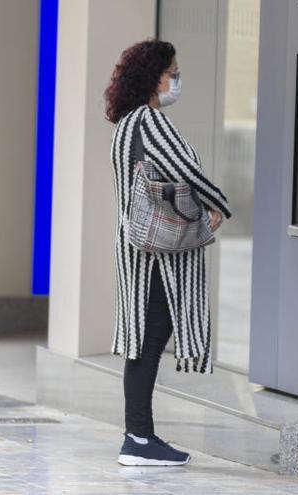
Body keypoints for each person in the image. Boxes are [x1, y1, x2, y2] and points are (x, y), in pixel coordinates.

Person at [104, 39, 232, 466]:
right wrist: (218, 203)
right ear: (153, 76)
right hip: (157, 252)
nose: (176, 79)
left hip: (136, 245)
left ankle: (139, 436)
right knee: (150, 338)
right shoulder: (150, 121)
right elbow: (186, 169)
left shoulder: (126, 123)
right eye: (172, 72)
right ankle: (137, 438)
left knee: (145, 337)